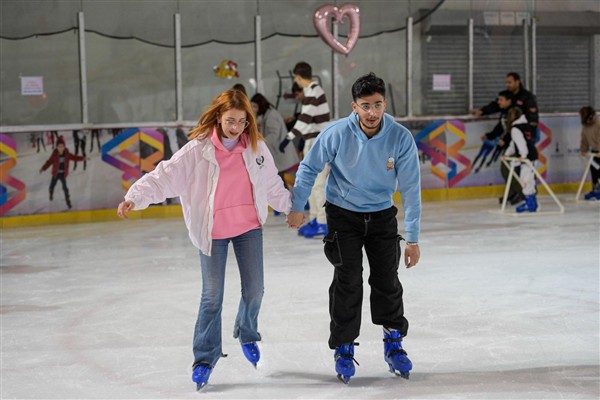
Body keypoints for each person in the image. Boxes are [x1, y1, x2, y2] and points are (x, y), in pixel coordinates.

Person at [116, 89, 291, 391]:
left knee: (255, 290)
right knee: (212, 297)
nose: (236, 128)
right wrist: (136, 196)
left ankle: (247, 332)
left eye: (241, 122)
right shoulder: (198, 150)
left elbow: (272, 184)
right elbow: (164, 176)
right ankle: (204, 358)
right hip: (212, 232)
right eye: (230, 121)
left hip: (248, 227)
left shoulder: (256, 148)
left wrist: (292, 208)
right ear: (219, 118)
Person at [286, 72, 421, 383]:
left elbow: (412, 190)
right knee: (348, 280)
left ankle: (393, 341)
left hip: (382, 215)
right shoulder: (336, 133)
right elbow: (308, 168)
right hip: (343, 215)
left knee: (387, 279)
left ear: (385, 103)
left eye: (377, 105)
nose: (372, 113)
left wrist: (412, 239)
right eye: (365, 106)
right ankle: (344, 346)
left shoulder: (400, 138)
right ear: (354, 106)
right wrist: (297, 206)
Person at [282, 61, 331, 238]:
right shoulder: (311, 91)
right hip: (313, 143)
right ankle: (315, 219)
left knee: (318, 185)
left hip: (320, 143)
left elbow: (305, 119)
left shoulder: (315, 90)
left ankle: (323, 223)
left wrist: (288, 138)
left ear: (298, 77)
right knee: (311, 184)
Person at [250, 93, 299, 186]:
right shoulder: (268, 113)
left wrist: (261, 143)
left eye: (255, 106)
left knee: (288, 184)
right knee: (284, 183)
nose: (253, 109)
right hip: (282, 155)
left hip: (282, 154)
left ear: (261, 105)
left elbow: (274, 134)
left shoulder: (270, 115)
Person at [472, 72, 539, 133]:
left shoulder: (527, 97)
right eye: (506, 83)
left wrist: (529, 131)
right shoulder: (506, 94)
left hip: (525, 131)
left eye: (509, 82)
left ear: (517, 82)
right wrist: (482, 111)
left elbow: (532, 117)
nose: (507, 85)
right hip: (510, 131)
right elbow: (495, 105)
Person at [502, 107, 539, 212]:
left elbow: (521, 144)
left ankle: (530, 204)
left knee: (525, 180)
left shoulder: (515, 129)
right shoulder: (525, 126)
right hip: (532, 155)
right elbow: (514, 144)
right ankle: (532, 203)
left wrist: (523, 156)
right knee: (528, 179)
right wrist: (507, 154)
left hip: (528, 157)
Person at [39, 136, 86, 209]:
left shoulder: (67, 153)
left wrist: (83, 158)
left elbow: (74, 157)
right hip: (55, 174)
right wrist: (43, 168)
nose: (61, 148)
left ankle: (68, 200)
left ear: (64, 146)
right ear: (56, 147)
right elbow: (49, 162)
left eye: (62, 146)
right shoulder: (54, 154)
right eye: (59, 146)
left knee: (65, 188)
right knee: (51, 187)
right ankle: (51, 193)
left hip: (63, 174)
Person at [579, 106, 600, 200]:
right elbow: (584, 139)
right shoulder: (585, 126)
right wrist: (583, 149)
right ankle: (596, 189)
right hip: (595, 151)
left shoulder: (598, 124)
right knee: (594, 170)